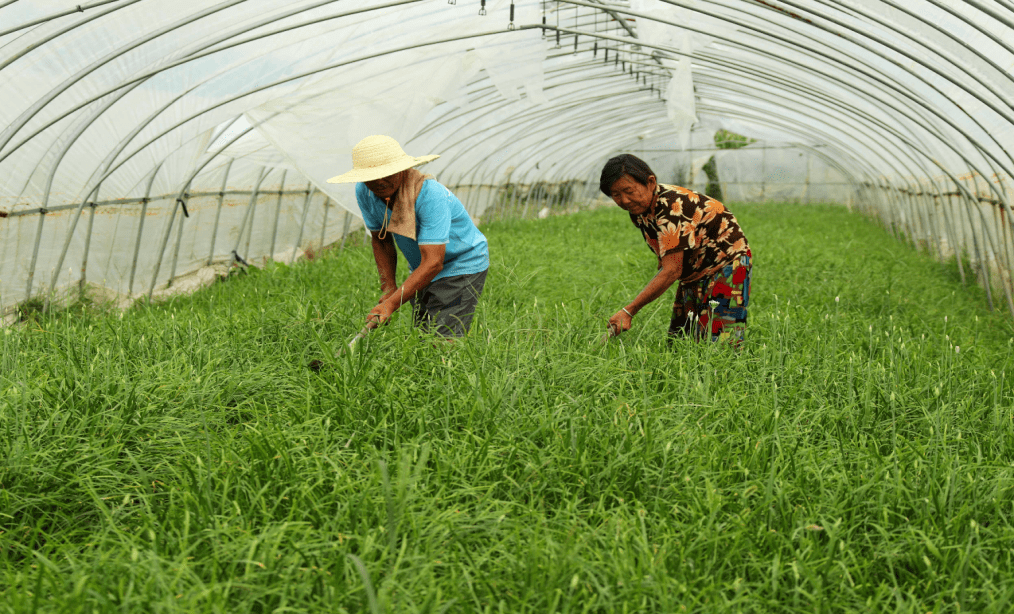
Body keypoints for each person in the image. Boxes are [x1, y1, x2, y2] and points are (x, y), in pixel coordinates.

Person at [327, 135, 489, 337]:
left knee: (443, 337)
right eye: (371, 176)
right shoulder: (365, 192)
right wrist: (388, 288)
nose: (379, 181)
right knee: (422, 335)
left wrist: (391, 304)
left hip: (460, 263)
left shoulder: (429, 194)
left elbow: (434, 262)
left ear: (402, 169)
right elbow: (381, 239)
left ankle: (446, 355)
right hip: (421, 267)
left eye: (387, 173)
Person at [600, 154, 751, 345]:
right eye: (616, 195)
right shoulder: (640, 209)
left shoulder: (672, 206)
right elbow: (664, 247)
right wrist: (664, 263)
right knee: (681, 342)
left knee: (720, 343)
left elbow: (672, 270)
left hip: (727, 264)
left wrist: (629, 311)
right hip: (693, 271)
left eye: (629, 191)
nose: (625, 200)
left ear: (650, 182)